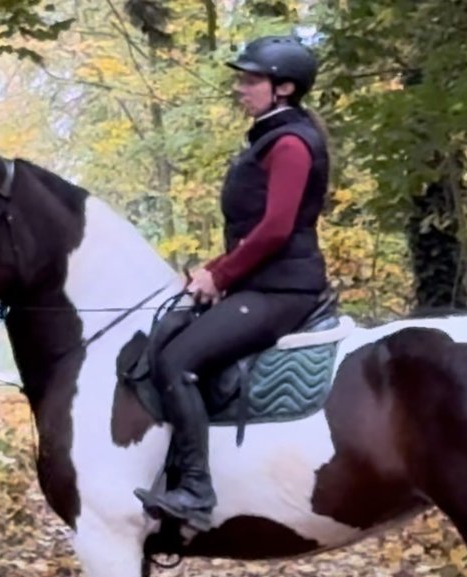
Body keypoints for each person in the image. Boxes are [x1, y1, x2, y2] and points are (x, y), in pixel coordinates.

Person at [134, 35, 332, 531]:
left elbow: (276, 229)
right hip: (261, 282)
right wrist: (211, 270)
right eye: (241, 80)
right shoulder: (271, 136)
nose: (241, 89)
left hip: (283, 290)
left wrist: (221, 274)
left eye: (251, 80)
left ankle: (197, 493)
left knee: (176, 361)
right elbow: (253, 232)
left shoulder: (288, 143)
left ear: (283, 88)